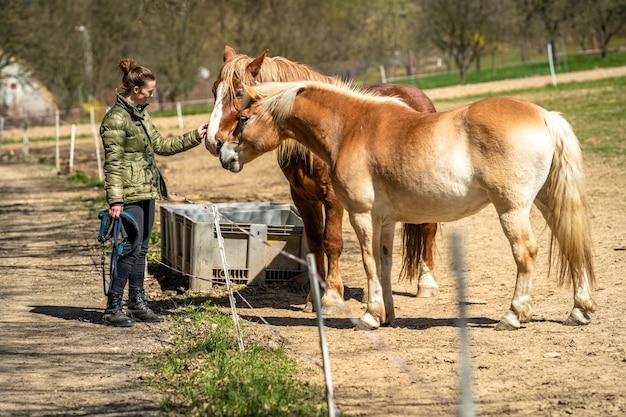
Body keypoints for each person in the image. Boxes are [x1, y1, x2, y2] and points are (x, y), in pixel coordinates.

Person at [100, 58, 208, 327]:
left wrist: (196, 135)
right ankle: (113, 307)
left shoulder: (140, 114)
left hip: (147, 188)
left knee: (143, 249)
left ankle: (137, 303)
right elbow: (112, 163)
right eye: (149, 90)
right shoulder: (116, 119)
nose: (152, 94)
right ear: (135, 89)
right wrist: (115, 200)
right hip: (129, 193)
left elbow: (162, 145)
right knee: (129, 249)